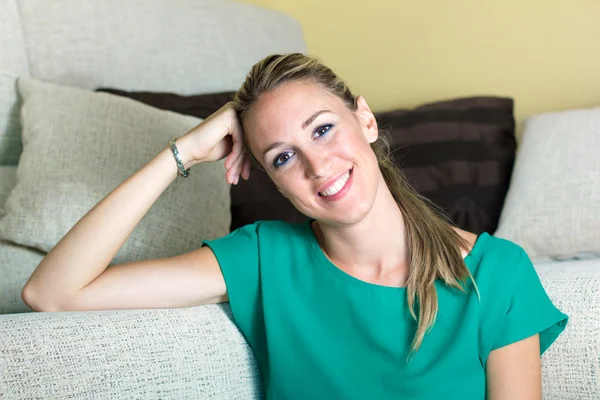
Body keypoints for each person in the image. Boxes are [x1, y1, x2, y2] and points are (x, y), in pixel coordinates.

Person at [22, 53, 568, 399]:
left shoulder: (497, 274)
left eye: (324, 129)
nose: (316, 166)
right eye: (282, 158)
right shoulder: (263, 258)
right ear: (272, 181)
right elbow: (52, 291)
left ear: (367, 120)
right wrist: (182, 152)